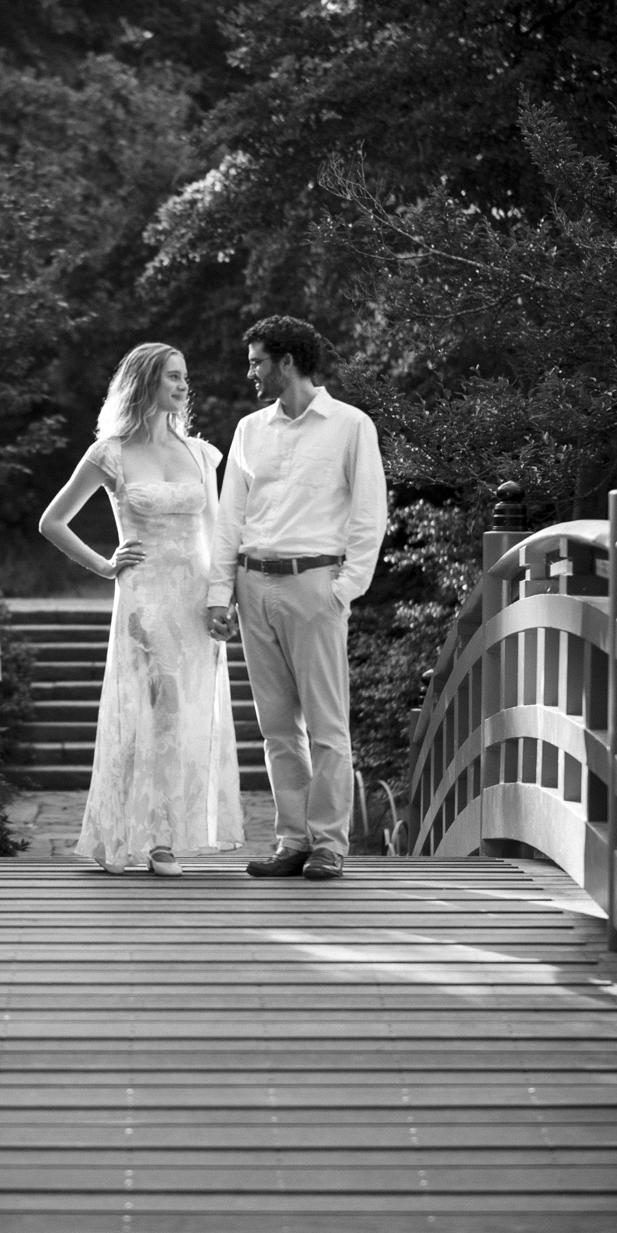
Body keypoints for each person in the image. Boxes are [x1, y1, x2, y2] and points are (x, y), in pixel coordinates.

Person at [39, 342, 244, 875]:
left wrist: (223, 598)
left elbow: (217, 534)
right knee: (156, 706)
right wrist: (106, 566)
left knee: (186, 711)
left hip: (194, 597)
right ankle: (150, 840)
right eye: (172, 377)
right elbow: (52, 521)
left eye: (184, 377)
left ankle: (164, 835)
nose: (183, 386)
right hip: (144, 595)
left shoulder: (202, 454)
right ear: (145, 382)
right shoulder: (110, 452)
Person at [205, 316, 386, 880]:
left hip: (315, 586)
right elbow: (229, 515)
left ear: (287, 363)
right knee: (278, 728)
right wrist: (221, 592)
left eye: (258, 360)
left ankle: (329, 844)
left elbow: (368, 513)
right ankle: (293, 841)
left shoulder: (350, 426)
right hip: (253, 584)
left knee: (327, 726)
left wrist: (344, 589)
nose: (251, 371)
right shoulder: (249, 430)